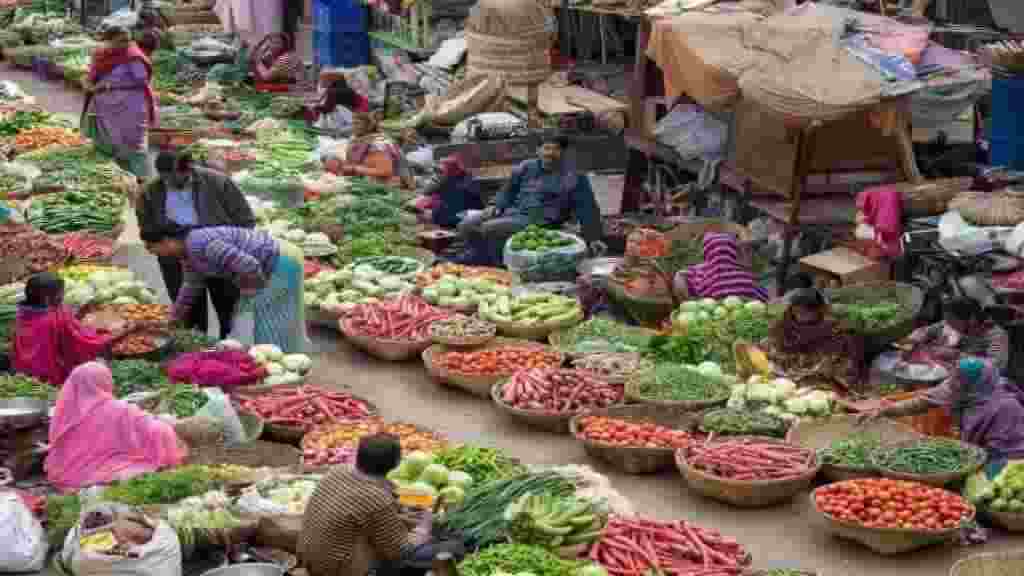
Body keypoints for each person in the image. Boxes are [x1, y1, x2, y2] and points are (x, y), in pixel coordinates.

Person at [299, 434, 461, 576]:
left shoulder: (337, 471)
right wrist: (424, 527)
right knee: (454, 548)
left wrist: (419, 500)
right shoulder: (378, 500)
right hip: (338, 570)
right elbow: (401, 552)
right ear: (397, 463)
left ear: (359, 456)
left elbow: (387, 490)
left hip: (310, 557)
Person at [138, 151, 255, 339]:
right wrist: (165, 246)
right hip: (176, 259)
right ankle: (197, 349)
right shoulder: (150, 192)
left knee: (228, 312)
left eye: (175, 177)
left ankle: (229, 347)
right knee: (190, 318)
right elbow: (148, 233)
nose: (169, 182)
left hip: (220, 257)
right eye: (165, 178)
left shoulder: (218, 183)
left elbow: (245, 220)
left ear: (189, 169)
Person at [145, 225, 307, 353]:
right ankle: (274, 358)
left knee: (269, 318)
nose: (159, 255)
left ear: (166, 241)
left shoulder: (202, 243)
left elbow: (248, 265)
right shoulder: (187, 254)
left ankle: (280, 362)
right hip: (265, 265)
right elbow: (191, 286)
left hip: (279, 260)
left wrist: (251, 291)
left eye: (155, 250)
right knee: (255, 317)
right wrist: (175, 318)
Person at [456, 134, 605, 266]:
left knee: (489, 228)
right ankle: (480, 255)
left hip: (541, 220)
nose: (550, 153)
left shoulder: (574, 176)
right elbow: (508, 191)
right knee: (466, 225)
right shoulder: (526, 167)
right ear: (538, 150)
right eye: (546, 148)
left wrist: (593, 237)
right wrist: (496, 205)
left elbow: (588, 208)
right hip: (513, 211)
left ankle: (499, 262)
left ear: (563, 152)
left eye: (556, 149)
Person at [861, 357, 1024, 473]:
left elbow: (1006, 452)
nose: (953, 384)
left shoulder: (1005, 407)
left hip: (1000, 461)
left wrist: (974, 467)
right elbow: (922, 403)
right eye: (955, 378)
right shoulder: (955, 387)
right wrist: (885, 411)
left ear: (976, 383)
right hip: (972, 451)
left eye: (959, 382)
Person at [45, 362, 187, 492]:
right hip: (96, 471)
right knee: (142, 468)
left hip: (64, 471)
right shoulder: (116, 408)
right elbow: (156, 431)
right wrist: (167, 424)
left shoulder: (65, 410)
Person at [12, 273, 135, 387]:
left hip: (24, 376)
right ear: (47, 298)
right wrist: (126, 331)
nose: (62, 297)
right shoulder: (57, 318)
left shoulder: (20, 314)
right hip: (52, 378)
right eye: (60, 293)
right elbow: (88, 344)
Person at [81, 24, 156, 180]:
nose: (126, 44)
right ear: (108, 41)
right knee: (108, 141)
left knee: (134, 143)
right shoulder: (101, 54)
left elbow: (142, 81)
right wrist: (88, 83)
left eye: (128, 40)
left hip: (130, 106)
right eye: (121, 41)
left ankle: (143, 179)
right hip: (105, 109)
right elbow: (92, 75)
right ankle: (118, 177)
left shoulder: (133, 56)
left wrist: (111, 85)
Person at [766, 287, 866, 393]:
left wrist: (816, 374)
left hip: (823, 386)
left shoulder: (836, 333)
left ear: (819, 309)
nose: (802, 312)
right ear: (791, 309)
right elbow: (772, 356)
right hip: (785, 383)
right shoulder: (782, 329)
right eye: (797, 309)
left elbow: (843, 368)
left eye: (808, 309)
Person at [902, 297, 1008, 373]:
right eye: (947, 320)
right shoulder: (950, 324)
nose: (947, 324)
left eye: (951, 320)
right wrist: (910, 342)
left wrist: (957, 355)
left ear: (971, 319)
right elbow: (923, 331)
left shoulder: (996, 336)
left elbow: (995, 366)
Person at [325, 110, 411, 187]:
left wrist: (354, 168)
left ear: (368, 126)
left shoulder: (379, 143)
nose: (353, 127)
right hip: (370, 178)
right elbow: (352, 162)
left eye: (357, 124)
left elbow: (385, 171)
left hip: (393, 181)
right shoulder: (356, 140)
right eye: (353, 123)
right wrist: (340, 164)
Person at [674, 233, 768, 302]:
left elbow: (680, 276)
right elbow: (763, 298)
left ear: (706, 253)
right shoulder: (745, 278)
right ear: (732, 252)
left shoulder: (702, 276)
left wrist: (687, 299)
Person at [416, 154, 483, 229]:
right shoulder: (466, 177)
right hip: (469, 214)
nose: (438, 174)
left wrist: (432, 215)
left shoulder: (450, 183)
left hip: (457, 218)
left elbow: (426, 191)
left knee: (424, 207)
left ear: (448, 171)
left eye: (442, 171)